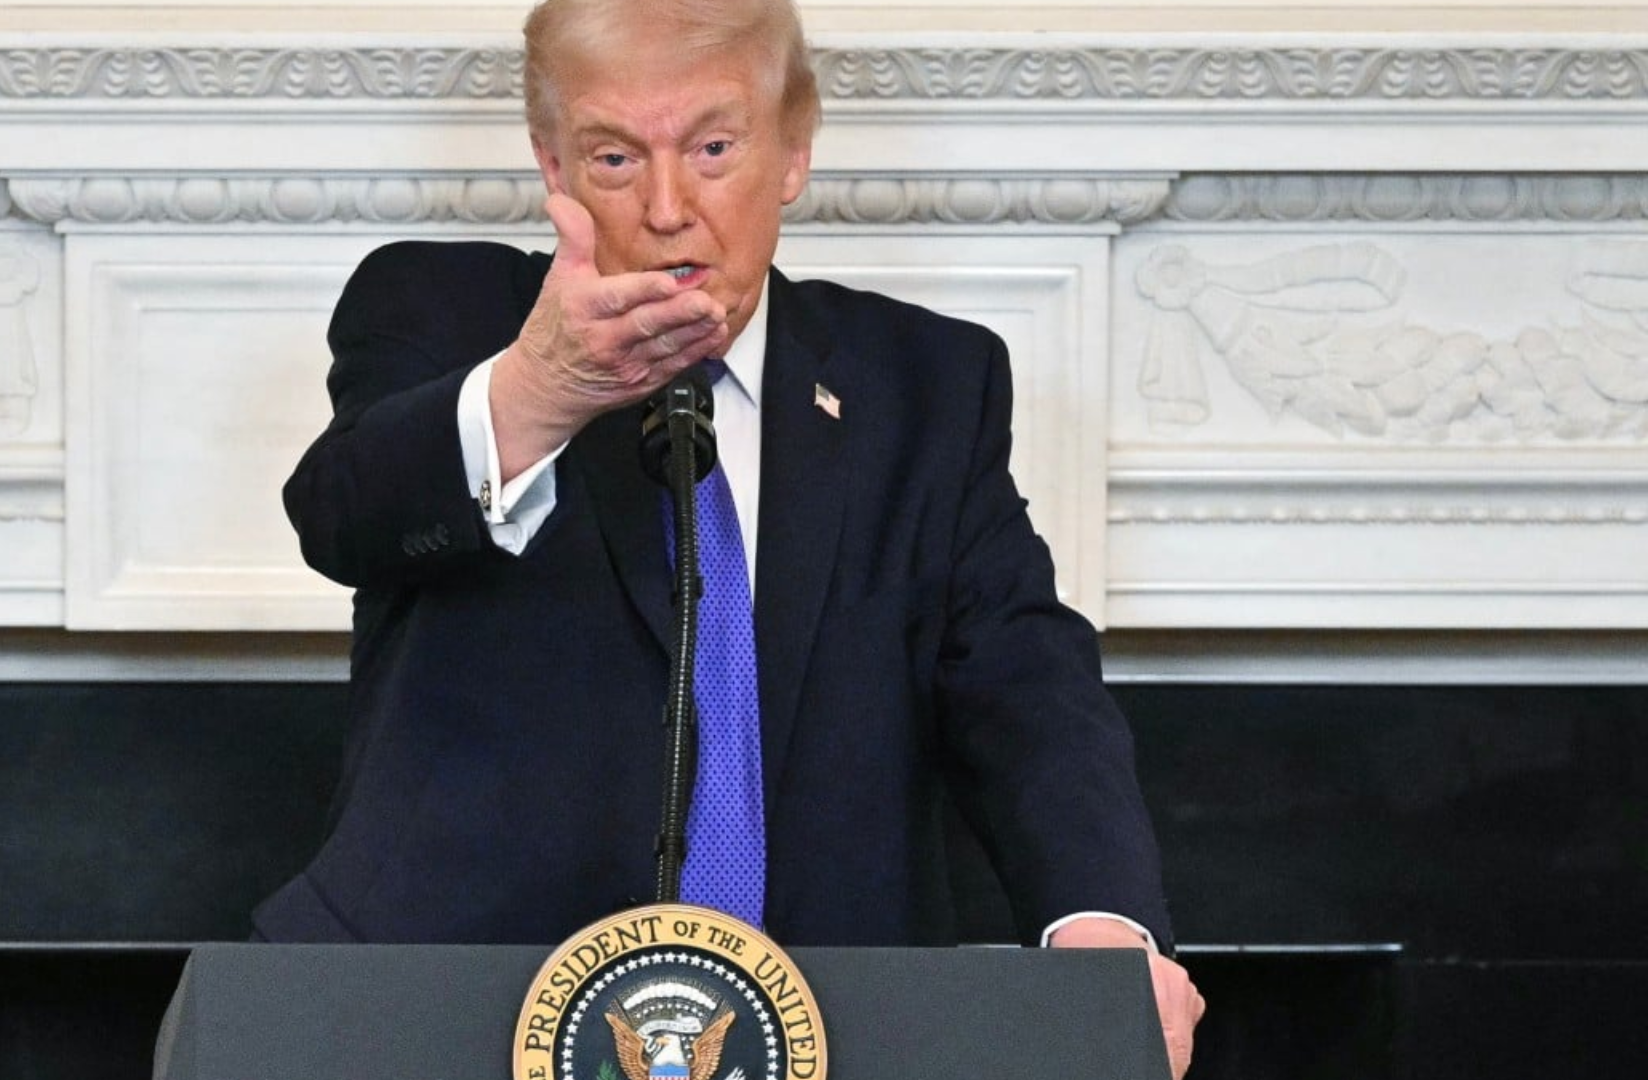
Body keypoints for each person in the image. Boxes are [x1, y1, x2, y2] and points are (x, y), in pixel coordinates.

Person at [254, 0, 1203, 1072]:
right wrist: (541, 392)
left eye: (712, 149)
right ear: (553, 165)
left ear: (793, 152)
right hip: (447, 1018)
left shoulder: (923, 383)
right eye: (615, 157)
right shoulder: (445, 311)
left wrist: (1101, 923)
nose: (668, 209)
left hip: (833, 1026)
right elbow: (343, 515)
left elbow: (1025, 680)